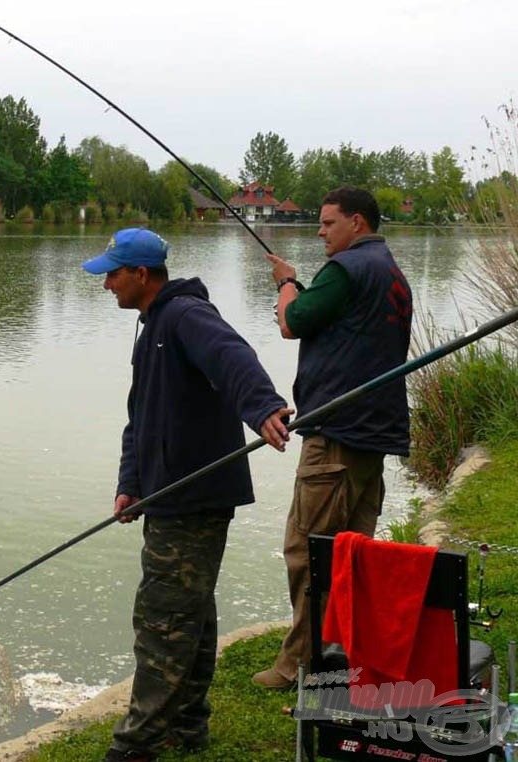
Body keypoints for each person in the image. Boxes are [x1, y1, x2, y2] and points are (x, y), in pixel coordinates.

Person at [82, 228, 293, 761]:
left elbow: (232, 356)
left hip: (193, 495)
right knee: (190, 613)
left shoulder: (184, 316)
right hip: (166, 494)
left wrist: (264, 405)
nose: (106, 283)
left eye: (112, 272)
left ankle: (136, 746)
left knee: (163, 621)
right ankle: (186, 726)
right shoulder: (151, 324)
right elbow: (141, 417)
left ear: (141, 274)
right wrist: (131, 483)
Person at [253, 186, 413, 690]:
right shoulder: (393, 274)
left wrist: (287, 282)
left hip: (337, 435)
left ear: (357, 223)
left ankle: (297, 666)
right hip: (374, 434)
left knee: (309, 551)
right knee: (353, 552)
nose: (320, 232)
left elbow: (292, 322)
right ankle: (348, 654)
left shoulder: (346, 270)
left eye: (327, 223)